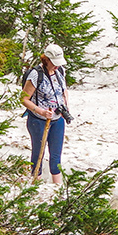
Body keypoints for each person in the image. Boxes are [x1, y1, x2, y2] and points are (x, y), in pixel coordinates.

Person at [21, 43, 69, 183]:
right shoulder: (36, 75)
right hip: (38, 120)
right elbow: (24, 99)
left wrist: (66, 105)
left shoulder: (60, 71)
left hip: (57, 119)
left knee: (56, 155)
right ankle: (36, 182)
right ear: (46, 59)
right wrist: (40, 111)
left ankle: (57, 186)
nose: (57, 66)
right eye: (54, 63)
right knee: (38, 153)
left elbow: (63, 90)